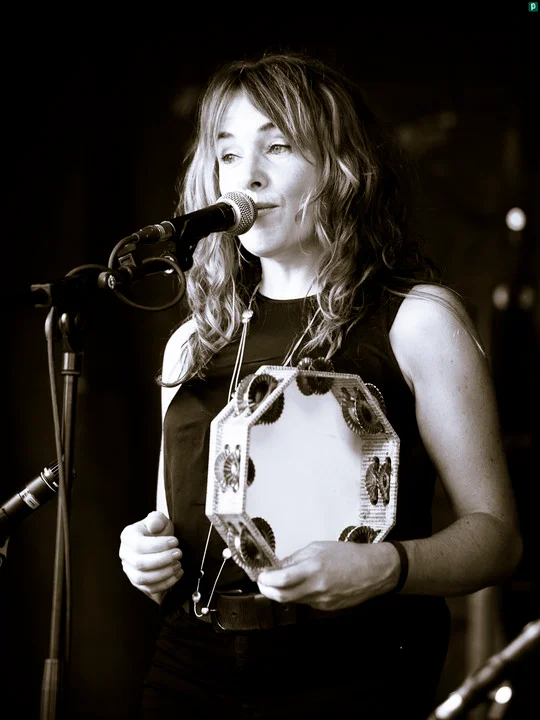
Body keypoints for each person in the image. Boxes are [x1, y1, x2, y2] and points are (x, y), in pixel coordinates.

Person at [118, 51, 523, 719]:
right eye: (228, 154)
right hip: (189, 670)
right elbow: (176, 529)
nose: (247, 176)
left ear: (342, 166)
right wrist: (147, 555)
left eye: (277, 147)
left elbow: (498, 538)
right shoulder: (192, 342)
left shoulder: (419, 321)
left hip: (354, 677)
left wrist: (388, 567)